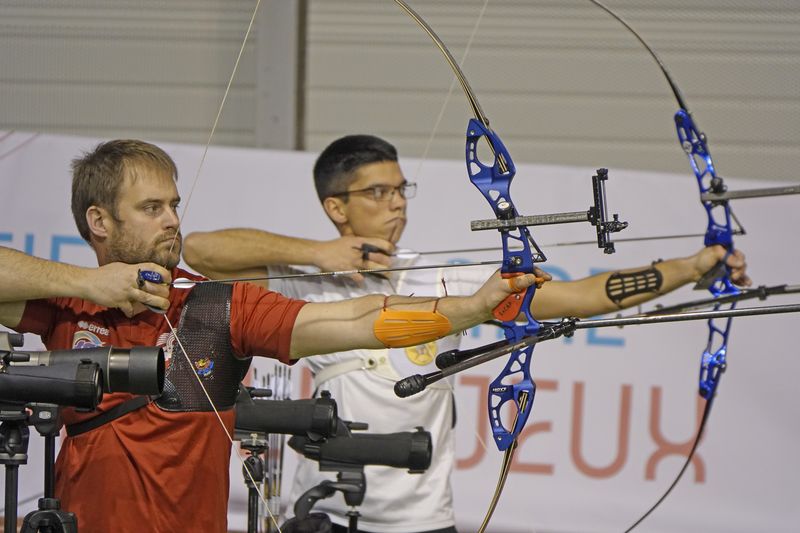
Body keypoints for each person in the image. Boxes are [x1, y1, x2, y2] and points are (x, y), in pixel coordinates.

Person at [182, 135, 751, 533]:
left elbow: (583, 295)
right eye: (378, 192)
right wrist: (316, 253)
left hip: (420, 521)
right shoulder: (306, 281)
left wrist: (691, 268)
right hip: (320, 511)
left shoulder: (445, 279)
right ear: (336, 206)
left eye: (402, 188)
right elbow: (200, 251)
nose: (397, 202)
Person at [0, 139, 545, 533]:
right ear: (99, 222)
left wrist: (471, 307)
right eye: (150, 208)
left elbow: (355, 320)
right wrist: (87, 282)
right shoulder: (67, 305)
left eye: (174, 205)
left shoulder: (215, 306)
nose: (171, 221)